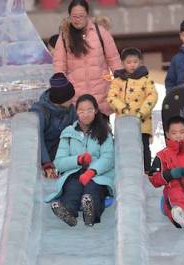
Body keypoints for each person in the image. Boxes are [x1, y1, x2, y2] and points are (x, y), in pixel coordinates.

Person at [45, 94, 115, 227]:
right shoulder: (69, 133)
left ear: (95, 111)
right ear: (76, 112)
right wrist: (78, 160)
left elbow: (108, 157)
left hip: (98, 174)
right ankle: (68, 212)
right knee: (72, 187)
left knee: (93, 188)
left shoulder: (104, 132)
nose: (86, 114)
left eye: (89, 110)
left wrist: (92, 171)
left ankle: (91, 213)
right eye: (81, 111)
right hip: (74, 172)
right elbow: (59, 162)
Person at [52, 0, 122, 117]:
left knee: (102, 133)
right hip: (77, 99)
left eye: (81, 16)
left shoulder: (100, 32)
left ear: (88, 15)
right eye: (74, 16)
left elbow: (114, 59)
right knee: (79, 134)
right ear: (69, 16)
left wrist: (120, 76)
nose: (77, 19)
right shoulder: (65, 36)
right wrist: (60, 81)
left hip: (101, 95)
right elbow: (59, 64)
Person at [108, 47, 158, 173]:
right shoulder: (117, 81)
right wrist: (123, 109)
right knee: (124, 147)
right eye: (128, 62)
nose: (132, 65)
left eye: (135, 62)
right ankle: (125, 171)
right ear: (123, 63)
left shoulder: (146, 80)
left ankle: (147, 170)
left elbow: (152, 96)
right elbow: (111, 97)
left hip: (142, 121)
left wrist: (142, 112)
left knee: (143, 146)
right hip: (124, 121)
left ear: (140, 62)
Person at [30, 72, 76, 178]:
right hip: (45, 158)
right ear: (60, 99)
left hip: (64, 156)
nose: (72, 100)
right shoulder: (40, 111)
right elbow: (37, 138)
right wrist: (46, 163)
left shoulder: (71, 110)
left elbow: (77, 131)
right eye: (69, 98)